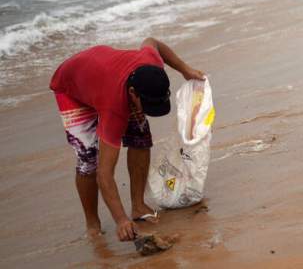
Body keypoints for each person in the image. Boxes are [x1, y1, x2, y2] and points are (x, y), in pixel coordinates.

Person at [49, 38, 205, 241]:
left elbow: (152, 41)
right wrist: (120, 220)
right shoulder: (114, 107)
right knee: (88, 160)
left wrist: (185, 69)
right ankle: (92, 223)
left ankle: (138, 206)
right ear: (133, 94)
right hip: (71, 86)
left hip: (103, 73)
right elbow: (105, 174)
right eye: (148, 105)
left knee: (140, 135)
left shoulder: (151, 62)